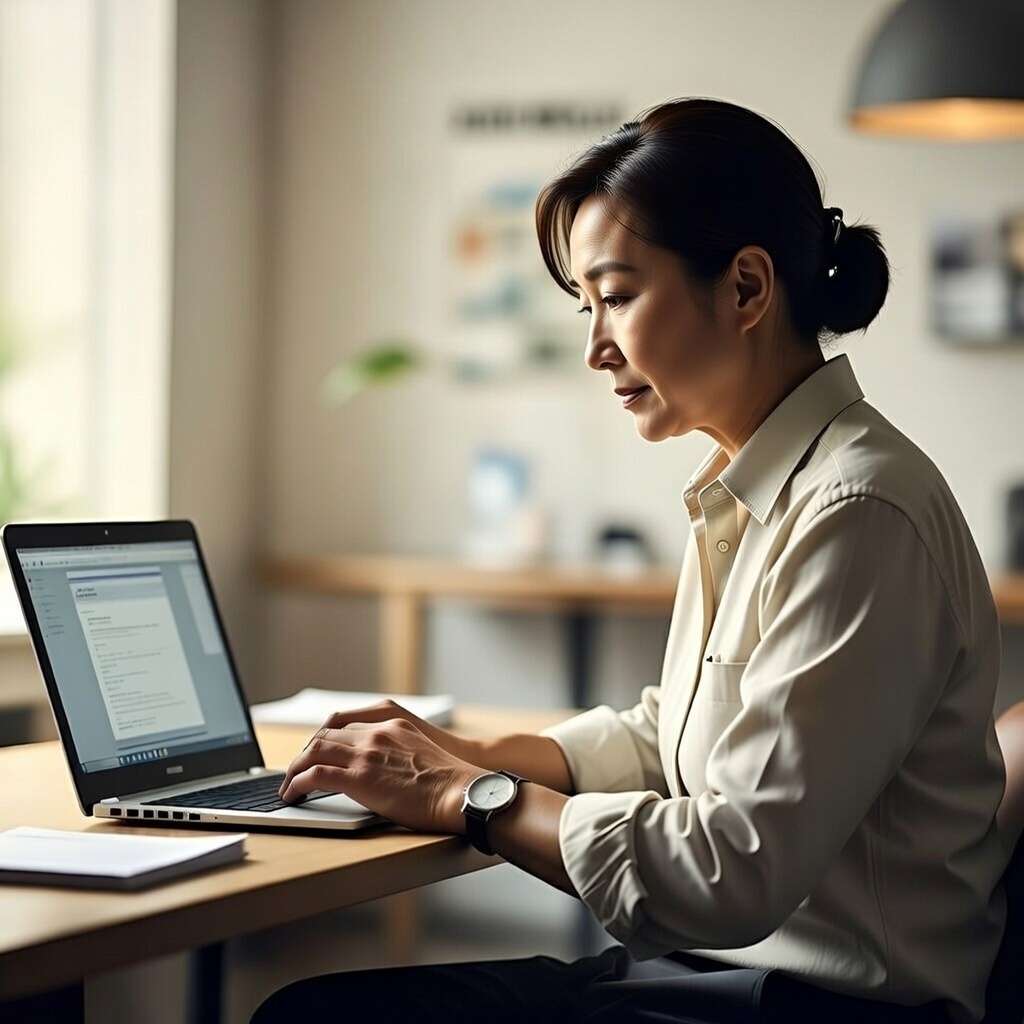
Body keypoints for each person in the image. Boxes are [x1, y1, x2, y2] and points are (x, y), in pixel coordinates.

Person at [252, 98, 1007, 1023]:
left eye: (616, 297)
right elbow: (673, 737)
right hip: (725, 980)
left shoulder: (858, 511)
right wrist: (459, 756)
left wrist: (465, 794)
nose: (594, 348)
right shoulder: (754, 484)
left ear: (746, 289)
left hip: (816, 1008)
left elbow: (730, 871)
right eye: (587, 306)